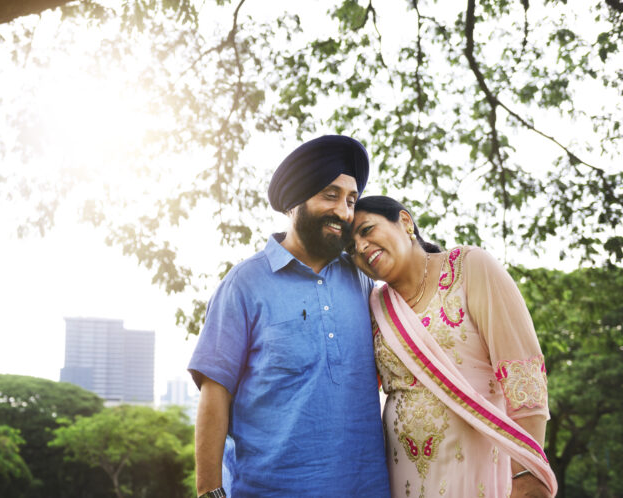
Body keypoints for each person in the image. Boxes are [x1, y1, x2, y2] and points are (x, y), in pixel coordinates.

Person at [188, 136, 390, 498]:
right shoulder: (244, 284)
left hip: (366, 488)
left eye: (351, 200)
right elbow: (214, 394)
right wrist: (209, 492)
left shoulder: (363, 280)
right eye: (330, 195)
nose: (344, 212)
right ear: (295, 201)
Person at [350, 195, 558, 498]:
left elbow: (524, 377)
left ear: (405, 222)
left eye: (367, 230)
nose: (360, 247)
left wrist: (526, 474)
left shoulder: (470, 267)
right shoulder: (375, 307)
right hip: (402, 477)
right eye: (350, 247)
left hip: (480, 471)